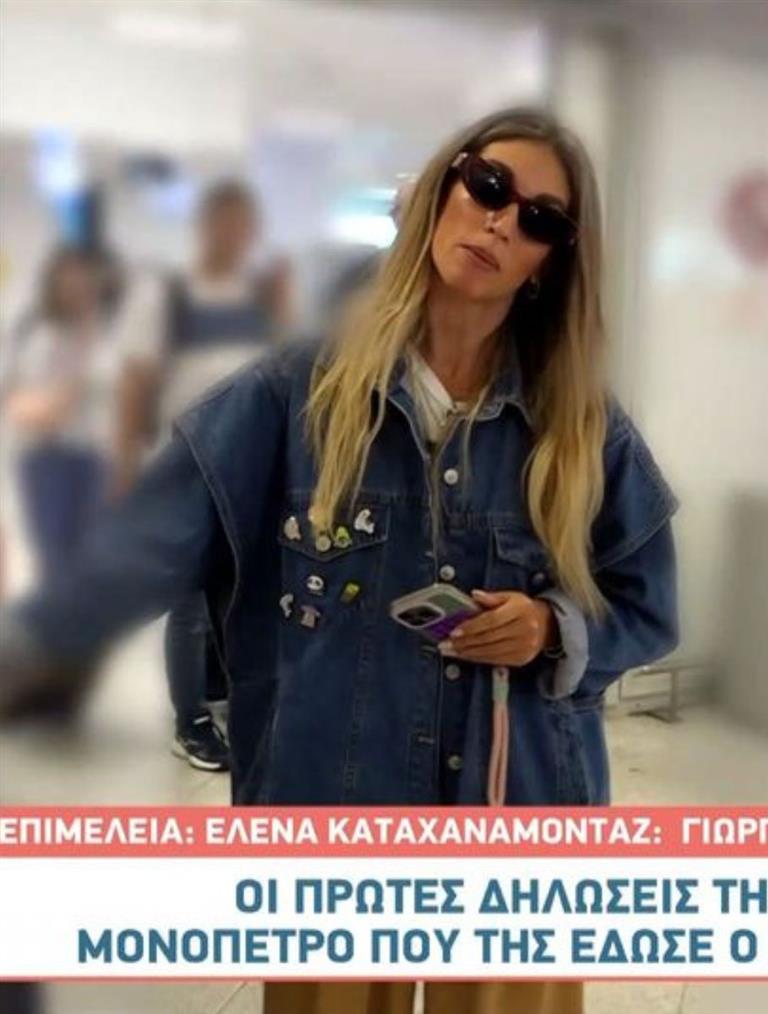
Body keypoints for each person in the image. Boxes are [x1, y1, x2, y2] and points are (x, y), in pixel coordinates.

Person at [1, 108, 679, 1013]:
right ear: (442, 190)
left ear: (551, 261)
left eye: (539, 218)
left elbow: (647, 604)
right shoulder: (296, 394)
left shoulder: (583, 428)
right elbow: (138, 548)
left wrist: (553, 629)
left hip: (521, 815)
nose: (499, 222)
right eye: (487, 186)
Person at [114, 180, 290, 772]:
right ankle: (189, 720)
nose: (235, 234)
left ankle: (232, 699)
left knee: (243, 590)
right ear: (206, 224)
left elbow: (282, 371)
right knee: (188, 600)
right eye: (226, 221)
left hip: (251, 462)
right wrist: (126, 466)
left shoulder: (260, 295)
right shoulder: (167, 292)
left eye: (245, 224)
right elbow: (136, 379)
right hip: (186, 462)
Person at [0, 246, 122, 588]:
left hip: (93, 457)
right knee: (55, 559)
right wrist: (56, 401)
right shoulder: (33, 335)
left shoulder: (106, 338)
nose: (76, 287)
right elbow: (16, 401)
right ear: (52, 283)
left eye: (84, 280)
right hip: (45, 458)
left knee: (91, 558)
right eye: (68, 279)